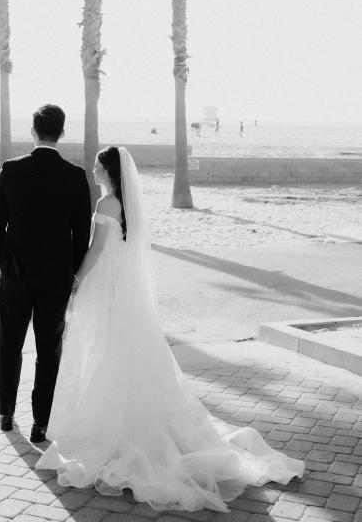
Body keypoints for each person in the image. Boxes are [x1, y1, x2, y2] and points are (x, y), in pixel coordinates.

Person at [36, 146, 304, 511]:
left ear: (109, 170)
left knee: (106, 352)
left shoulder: (106, 204)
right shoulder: (127, 205)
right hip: (125, 288)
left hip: (107, 286)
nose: (93, 170)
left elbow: (96, 249)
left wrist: (76, 281)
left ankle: (112, 428)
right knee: (126, 352)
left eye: (98, 166)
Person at [0, 103, 92, 443]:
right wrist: (72, 272)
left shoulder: (11, 170)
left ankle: (6, 414)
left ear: (33, 131)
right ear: (62, 133)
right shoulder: (75, 176)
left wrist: (1, 260)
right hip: (56, 278)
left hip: (15, 274)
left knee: (10, 343)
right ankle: (41, 423)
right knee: (49, 350)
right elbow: (82, 234)